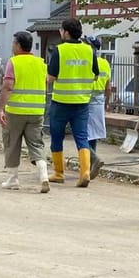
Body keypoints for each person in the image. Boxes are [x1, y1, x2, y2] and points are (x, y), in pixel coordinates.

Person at [46, 19, 102, 187]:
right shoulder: (89, 50)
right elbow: (95, 75)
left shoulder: (59, 51)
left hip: (61, 102)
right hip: (82, 103)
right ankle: (84, 173)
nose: (60, 33)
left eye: (61, 30)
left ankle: (58, 173)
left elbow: (51, 78)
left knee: (56, 137)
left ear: (66, 32)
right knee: (82, 137)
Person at [0, 31, 50, 193]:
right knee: (36, 144)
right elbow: (45, 84)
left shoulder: (14, 62)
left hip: (16, 111)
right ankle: (44, 176)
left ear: (19, 45)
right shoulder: (41, 63)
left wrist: (0, 108)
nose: (12, 46)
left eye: (13, 43)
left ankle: (13, 179)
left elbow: (7, 86)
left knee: (12, 143)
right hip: (37, 111)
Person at [86, 37, 113, 179]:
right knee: (94, 135)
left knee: (81, 134)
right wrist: (107, 102)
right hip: (99, 101)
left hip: (86, 100)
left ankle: (93, 159)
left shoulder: (88, 62)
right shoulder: (105, 63)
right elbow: (108, 87)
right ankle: (91, 165)